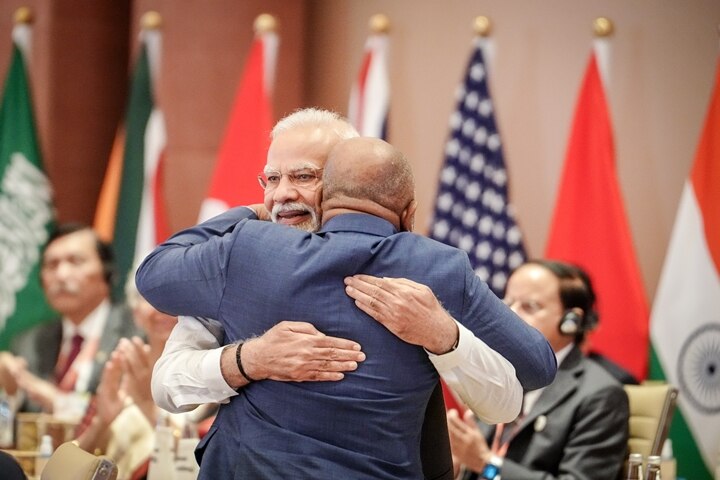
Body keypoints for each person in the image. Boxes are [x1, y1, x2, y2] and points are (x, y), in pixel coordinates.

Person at [136, 136, 556, 479]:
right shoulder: (435, 268)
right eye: (272, 180)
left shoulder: (246, 250)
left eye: (302, 176)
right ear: (409, 212)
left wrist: (444, 335)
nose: (284, 194)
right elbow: (167, 384)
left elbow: (152, 274)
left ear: (325, 193)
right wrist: (245, 361)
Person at [447, 260, 629, 480]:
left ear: (570, 321)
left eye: (529, 307)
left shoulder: (601, 395)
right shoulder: (498, 372)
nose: (510, 315)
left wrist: (487, 464)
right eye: (508, 303)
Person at [75, 274, 209, 480]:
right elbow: (67, 469)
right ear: (136, 312)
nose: (163, 308)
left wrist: (147, 405)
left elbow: (202, 463)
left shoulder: (214, 375)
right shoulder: (121, 366)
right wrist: (101, 422)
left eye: (176, 296)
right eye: (151, 296)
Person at [0, 224, 138, 414]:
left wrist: (57, 401)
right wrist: (10, 390)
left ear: (107, 273)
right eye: (52, 265)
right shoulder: (29, 343)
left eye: (76, 262)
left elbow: (131, 415)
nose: (61, 275)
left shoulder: (136, 332)